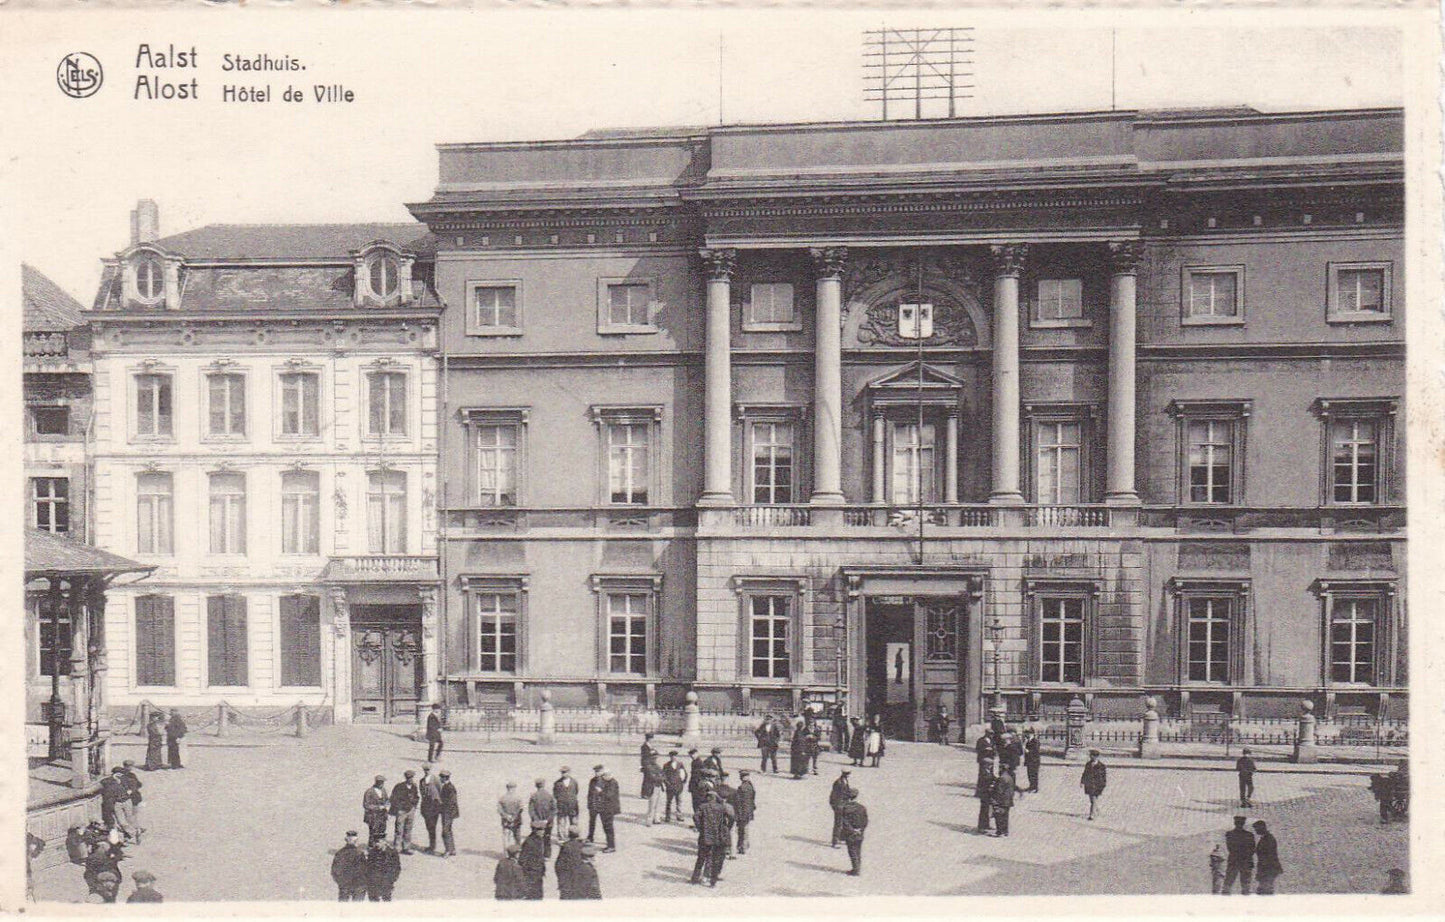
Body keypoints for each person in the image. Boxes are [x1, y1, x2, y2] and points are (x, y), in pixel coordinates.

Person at [690, 790, 734, 886]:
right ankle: (707, 877)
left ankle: (695, 877)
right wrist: (727, 827)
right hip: (716, 836)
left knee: (701, 858)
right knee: (712, 858)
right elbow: (731, 816)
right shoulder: (721, 808)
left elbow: (695, 817)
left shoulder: (703, 807)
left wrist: (700, 827)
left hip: (704, 835)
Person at [836, 786, 868, 876]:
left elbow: (844, 822)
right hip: (860, 833)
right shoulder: (862, 808)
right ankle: (858, 868)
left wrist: (852, 830)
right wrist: (860, 829)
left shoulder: (844, 808)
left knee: (852, 851)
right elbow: (865, 821)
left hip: (850, 833)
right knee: (858, 851)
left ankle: (855, 870)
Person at [588, 766, 620, 852]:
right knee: (606, 827)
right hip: (604, 808)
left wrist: (600, 791)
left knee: (608, 827)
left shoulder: (612, 783)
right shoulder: (607, 782)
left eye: (604, 775)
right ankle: (609, 844)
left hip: (609, 809)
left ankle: (611, 846)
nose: (602, 777)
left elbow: (609, 795)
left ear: (608, 775)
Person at [1222, 815, 1256, 895]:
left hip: (1234, 860)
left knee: (1229, 881)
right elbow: (1252, 849)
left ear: (1235, 823)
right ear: (1243, 823)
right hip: (1246, 861)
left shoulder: (1229, 834)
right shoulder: (1249, 835)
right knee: (1245, 883)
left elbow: (1230, 848)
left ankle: (1224, 898)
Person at [330, 831, 368, 901]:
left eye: (353, 839)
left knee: (355, 908)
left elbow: (365, 869)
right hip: (347, 885)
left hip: (357, 885)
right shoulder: (341, 853)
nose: (351, 841)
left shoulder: (359, 853)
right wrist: (341, 882)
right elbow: (335, 869)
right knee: (345, 908)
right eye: (349, 839)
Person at [390, 770, 420, 854]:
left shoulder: (414, 786)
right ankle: (397, 847)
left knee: (408, 829)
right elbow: (393, 799)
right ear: (406, 778)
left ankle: (406, 847)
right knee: (399, 829)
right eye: (408, 778)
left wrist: (414, 804)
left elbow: (417, 796)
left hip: (411, 811)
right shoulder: (399, 787)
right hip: (402, 811)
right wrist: (399, 808)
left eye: (411, 778)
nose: (410, 779)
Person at [519, 820, 549, 900]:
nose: (543, 832)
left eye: (543, 829)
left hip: (538, 872)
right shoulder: (529, 842)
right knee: (532, 895)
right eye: (541, 830)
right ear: (535, 830)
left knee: (538, 895)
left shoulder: (539, 839)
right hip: (531, 873)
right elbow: (522, 859)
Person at [529, 777, 557, 857]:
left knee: (536, 839)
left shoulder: (533, 796)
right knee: (547, 838)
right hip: (548, 823)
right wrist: (547, 820)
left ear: (536, 785)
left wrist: (537, 820)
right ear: (544, 785)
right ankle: (547, 855)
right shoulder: (550, 796)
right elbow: (554, 810)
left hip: (536, 823)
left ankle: (537, 855)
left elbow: (531, 810)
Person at [1252, 820, 1282, 894]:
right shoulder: (1265, 838)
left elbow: (1269, 855)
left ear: (1262, 828)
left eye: (1256, 829)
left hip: (1268, 869)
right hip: (1266, 869)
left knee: (1265, 890)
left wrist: (1262, 871)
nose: (1255, 831)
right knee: (1264, 890)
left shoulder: (1268, 839)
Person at [118, 761, 144, 845]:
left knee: (126, 817)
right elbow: (139, 784)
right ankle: (137, 830)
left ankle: (129, 834)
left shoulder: (120, 776)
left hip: (127, 799)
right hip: (135, 798)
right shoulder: (132, 776)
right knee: (133, 816)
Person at [419, 763, 443, 854]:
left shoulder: (435, 779)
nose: (426, 771)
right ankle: (431, 845)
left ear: (431, 770)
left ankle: (432, 846)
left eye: (428, 770)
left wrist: (439, 804)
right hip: (426, 806)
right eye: (425, 770)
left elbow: (440, 791)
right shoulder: (421, 781)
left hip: (434, 806)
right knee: (429, 826)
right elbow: (422, 793)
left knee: (432, 826)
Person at [733, 769, 756, 855]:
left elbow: (738, 801)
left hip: (742, 812)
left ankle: (743, 846)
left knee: (742, 830)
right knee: (745, 828)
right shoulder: (750, 786)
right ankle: (745, 844)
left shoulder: (742, 787)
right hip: (748, 811)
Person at [990, 763, 1016, 837]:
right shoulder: (1010, 777)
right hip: (1008, 800)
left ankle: (999, 832)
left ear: (1001, 769)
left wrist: (992, 790)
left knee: (999, 816)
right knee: (1005, 816)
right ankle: (1005, 831)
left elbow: (999, 791)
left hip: (1001, 800)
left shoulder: (1001, 778)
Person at [438, 769, 460, 857]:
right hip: (448, 812)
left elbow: (451, 801)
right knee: (448, 830)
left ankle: (448, 850)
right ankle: (452, 849)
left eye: (441, 777)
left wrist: (441, 805)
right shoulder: (447, 786)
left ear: (444, 778)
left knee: (445, 831)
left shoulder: (449, 787)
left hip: (447, 813)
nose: (440, 779)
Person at [363, 775, 390, 845]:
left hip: (382, 816)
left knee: (382, 831)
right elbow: (366, 805)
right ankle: (371, 848)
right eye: (380, 782)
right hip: (373, 816)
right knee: (373, 832)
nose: (382, 784)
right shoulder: (369, 791)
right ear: (377, 782)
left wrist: (387, 805)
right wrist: (378, 807)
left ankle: (380, 847)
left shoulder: (383, 790)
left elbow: (387, 800)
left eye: (383, 782)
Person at [553, 767, 580, 839]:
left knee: (574, 822)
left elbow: (576, 792)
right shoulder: (557, 783)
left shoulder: (574, 782)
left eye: (565, 772)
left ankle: (573, 837)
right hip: (561, 806)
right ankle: (561, 837)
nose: (564, 774)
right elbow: (555, 794)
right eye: (562, 773)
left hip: (572, 805)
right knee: (561, 822)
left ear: (569, 772)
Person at [662, 750, 688, 822]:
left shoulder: (680, 764)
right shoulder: (666, 765)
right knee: (669, 802)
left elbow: (684, 774)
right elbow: (663, 776)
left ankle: (679, 815)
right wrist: (667, 783)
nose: (673, 757)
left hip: (678, 786)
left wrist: (683, 782)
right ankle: (668, 816)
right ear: (670, 757)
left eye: (675, 756)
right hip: (670, 786)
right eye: (672, 756)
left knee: (679, 801)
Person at [1081, 750, 1107, 820]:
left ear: (1096, 757)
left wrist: (1103, 785)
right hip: (1089, 785)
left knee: (1093, 799)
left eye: (1092, 756)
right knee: (1092, 800)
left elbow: (1104, 777)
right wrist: (1082, 782)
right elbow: (1084, 773)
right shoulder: (1088, 764)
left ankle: (1091, 815)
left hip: (1097, 785)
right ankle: (1097, 810)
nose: (1090, 757)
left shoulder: (1101, 766)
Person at [829, 769, 853, 847]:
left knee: (844, 822)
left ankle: (841, 838)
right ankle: (834, 842)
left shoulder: (844, 781)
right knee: (838, 823)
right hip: (839, 805)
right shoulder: (839, 783)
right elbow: (836, 795)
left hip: (843, 804)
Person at [498, 781, 525, 847]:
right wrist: (514, 816)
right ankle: (517, 853)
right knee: (517, 837)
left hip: (506, 820)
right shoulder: (518, 798)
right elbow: (521, 809)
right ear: (514, 788)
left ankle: (506, 854)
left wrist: (506, 816)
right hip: (516, 820)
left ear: (507, 788)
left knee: (506, 838)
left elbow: (499, 810)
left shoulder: (502, 798)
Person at [642, 755, 665, 825]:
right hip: (652, 787)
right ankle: (649, 820)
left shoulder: (657, 766)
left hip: (659, 787)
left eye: (655, 758)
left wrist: (660, 777)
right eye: (653, 758)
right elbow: (652, 777)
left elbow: (663, 774)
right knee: (652, 805)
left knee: (658, 804)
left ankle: (657, 819)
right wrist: (660, 777)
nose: (655, 760)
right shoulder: (648, 767)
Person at [976, 758, 996, 834]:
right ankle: (981, 827)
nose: (991, 766)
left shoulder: (988, 771)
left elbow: (993, 778)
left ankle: (986, 824)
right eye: (990, 764)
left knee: (987, 810)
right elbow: (984, 783)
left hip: (987, 794)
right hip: (985, 794)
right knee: (984, 810)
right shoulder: (984, 773)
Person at [687, 750, 707, 819]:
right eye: (690, 755)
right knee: (695, 804)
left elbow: (701, 776)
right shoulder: (694, 762)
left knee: (697, 804)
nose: (692, 756)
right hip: (694, 786)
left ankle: (699, 822)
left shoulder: (700, 763)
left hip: (698, 787)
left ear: (697, 754)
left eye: (693, 754)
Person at [1022, 728, 1042, 793]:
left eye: (1028, 733)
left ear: (1032, 734)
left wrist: (1028, 751)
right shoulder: (1028, 741)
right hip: (1029, 760)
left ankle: (1035, 788)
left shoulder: (1035, 741)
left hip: (1034, 761)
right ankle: (1031, 786)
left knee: (1034, 774)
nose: (1027, 735)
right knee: (1030, 774)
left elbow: (1036, 751)